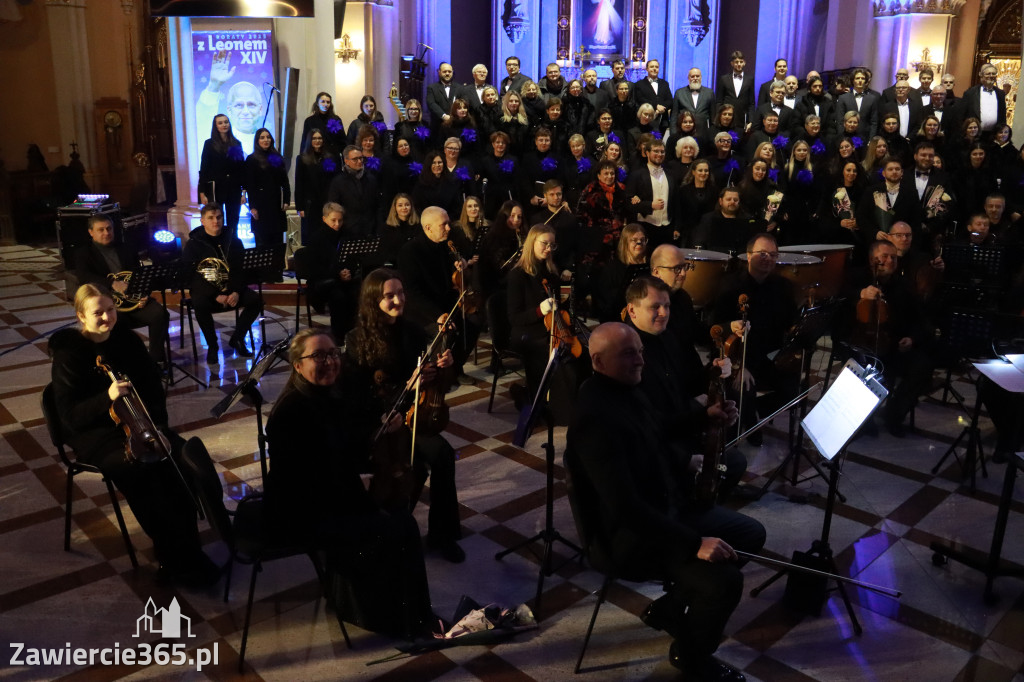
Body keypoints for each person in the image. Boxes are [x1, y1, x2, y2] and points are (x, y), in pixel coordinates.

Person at [566, 321, 764, 681]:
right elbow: (624, 507)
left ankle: (671, 608)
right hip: (629, 537)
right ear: (597, 360)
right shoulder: (595, 417)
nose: (641, 360)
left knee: (750, 534)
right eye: (629, 354)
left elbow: (655, 428)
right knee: (724, 582)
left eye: (641, 350)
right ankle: (692, 657)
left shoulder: (626, 387)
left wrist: (704, 416)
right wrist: (694, 543)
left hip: (665, 509)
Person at [264, 328, 434, 636]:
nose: (329, 361)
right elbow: (309, 482)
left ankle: (399, 609)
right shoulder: (291, 412)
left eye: (332, 353)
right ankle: (397, 619)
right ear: (297, 365)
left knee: (398, 513)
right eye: (318, 355)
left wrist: (381, 426)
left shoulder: (324, 394)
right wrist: (362, 493)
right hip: (302, 512)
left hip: (323, 498)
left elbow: (343, 438)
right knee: (399, 526)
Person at [49, 284, 218, 587]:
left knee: (180, 459)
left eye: (110, 309)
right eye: (97, 312)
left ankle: (188, 552)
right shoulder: (69, 354)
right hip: (97, 434)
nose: (106, 317)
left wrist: (157, 427)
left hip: (141, 423)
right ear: (81, 316)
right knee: (144, 472)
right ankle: (171, 557)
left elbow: (153, 388)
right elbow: (70, 418)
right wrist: (107, 397)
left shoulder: (126, 340)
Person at [343, 270, 466, 563]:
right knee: (412, 464)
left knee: (443, 455)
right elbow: (358, 393)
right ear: (374, 300)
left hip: (412, 416)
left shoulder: (413, 331)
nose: (398, 300)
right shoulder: (357, 339)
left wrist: (444, 366)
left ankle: (442, 534)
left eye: (400, 293)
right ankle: (386, 529)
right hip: (380, 421)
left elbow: (439, 382)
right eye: (389, 296)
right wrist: (407, 385)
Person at [624, 276, 746, 498]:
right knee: (727, 466)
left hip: (683, 429)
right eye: (655, 307)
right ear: (632, 311)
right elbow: (644, 424)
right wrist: (697, 413)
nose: (664, 313)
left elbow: (691, 380)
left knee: (734, 462)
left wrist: (714, 369)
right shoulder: (627, 354)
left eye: (667, 306)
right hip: (657, 447)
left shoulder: (669, 337)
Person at [836, 240, 932, 436]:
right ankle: (863, 418)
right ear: (872, 260)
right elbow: (838, 299)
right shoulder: (856, 277)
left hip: (893, 345)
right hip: (859, 344)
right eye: (885, 257)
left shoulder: (904, 285)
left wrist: (911, 338)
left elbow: (920, 319)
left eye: (894, 257)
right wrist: (859, 294)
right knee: (870, 366)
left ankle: (894, 413)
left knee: (923, 365)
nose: (890, 261)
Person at [712, 233, 800, 441]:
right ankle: (745, 422)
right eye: (762, 253)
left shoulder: (783, 287)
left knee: (792, 388)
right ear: (748, 256)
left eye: (772, 254)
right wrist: (739, 365)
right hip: (737, 357)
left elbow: (791, 323)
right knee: (743, 387)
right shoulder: (730, 286)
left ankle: (753, 414)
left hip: (769, 356)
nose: (767, 258)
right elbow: (716, 328)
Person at [506, 224, 583, 420]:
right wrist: (540, 310)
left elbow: (560, 305)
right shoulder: (518, 275)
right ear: (532, 243)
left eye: (552, 245)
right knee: (550, 353)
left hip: (550, 328)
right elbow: (514, 318)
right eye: (544, 244)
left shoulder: (550, 272)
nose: (549, 249)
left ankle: (569, 405)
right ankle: (544, 403)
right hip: (525, 332)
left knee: (578, 353)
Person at [74, 215, 169, 364]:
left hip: (133, 300)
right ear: (91, 232)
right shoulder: (84, 253)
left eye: (109, 228)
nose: (106, 232)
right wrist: (112, 282)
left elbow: (137, 274)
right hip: (109, 305)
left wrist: (143, 294)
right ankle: (123, 363)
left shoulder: (125, 247)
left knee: (160, 314)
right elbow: (84, 277)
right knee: (115, 322)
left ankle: (155, 360)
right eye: (101, 230)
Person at [398, 206, 480, 377]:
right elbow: (412, 292)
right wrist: (438, 315)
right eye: (444, 225)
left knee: (475, 320)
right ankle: (437, 373)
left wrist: (460, 266)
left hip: (446, 304)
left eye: (448, 224)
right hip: (422, 312)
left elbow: (450, 280)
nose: (449, 228)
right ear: (428, 228)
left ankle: (455, 367)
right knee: (445, 331)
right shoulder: (409, 251)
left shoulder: (445, 246)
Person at [182, 205, 262, 363]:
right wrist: (215, 295)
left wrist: (236, 292)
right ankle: (213, 346)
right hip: (207, 291)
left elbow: (240, 270)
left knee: (256, 301)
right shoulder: (194, 244)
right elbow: (192, 276)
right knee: (200, 304)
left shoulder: (233, 240)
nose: (215, 221)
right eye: (211, 218)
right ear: (202, 221)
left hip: (231, 288)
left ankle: (237, 338)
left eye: (219, 217)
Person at [301, 203, 360, 340]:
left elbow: (351, 259)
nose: (337, 224)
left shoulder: (346, 235)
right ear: (324, 219)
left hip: (342, 280)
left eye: (340, 220)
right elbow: (313, 269)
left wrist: (348, 271)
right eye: (333, 220)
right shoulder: (316, 238)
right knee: (338, 297)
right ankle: (339, 337)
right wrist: (337, 274)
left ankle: (352, 335)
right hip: (322, 283)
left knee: (357, 292)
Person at [198, 114, 245, 237]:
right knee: (216, 220)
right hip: (216, 188)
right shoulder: (209, 144)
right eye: (220, 123)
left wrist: (243, 191)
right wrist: (202, 192)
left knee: (233, 221)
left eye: (226, 122)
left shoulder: (236, 143)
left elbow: (241, 168)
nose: (224, 125)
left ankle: (232, 246)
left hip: (233, 188)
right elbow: (204, 169)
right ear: (215, 126)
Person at [625, 138, 678, 248]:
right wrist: (650, 205)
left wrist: (677, 227)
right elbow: (627, 204)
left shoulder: (671, 175)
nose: (659, 154)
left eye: (662, 151)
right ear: (647, 153)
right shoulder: (636, 175)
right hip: (645, 227)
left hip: (667, 228)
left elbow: (677, 203)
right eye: (656, 151)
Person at [244, 128, 291, 247]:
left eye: (268, 137)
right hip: (260, 205)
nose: (266, 140)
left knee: (277, 241)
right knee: (262, 241)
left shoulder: (277, 157)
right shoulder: (251, 159)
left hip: (276, 204)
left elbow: (285, 181)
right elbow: (250, 185)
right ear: (257, 141)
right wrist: (253, 207)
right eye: (262, 137)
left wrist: (286, 200)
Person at [594, 223, 649, 322]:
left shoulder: (649, 264)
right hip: (619, 317)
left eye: (642, 239)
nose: (640, 243)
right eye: (634, 240)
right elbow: (607, 302)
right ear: (625, 243)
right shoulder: (612, 268)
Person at [294, 128, 338, 244]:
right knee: (310, 236)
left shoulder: (330, 158)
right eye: (314, 138)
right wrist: (300, 207)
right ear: (309, 140)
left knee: (326, 236)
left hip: (326, 203)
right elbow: (299, 184)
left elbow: (334, 181)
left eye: (319, 138)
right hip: (310, 205)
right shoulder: (302, 159)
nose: (317, 141)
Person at [327, 145, 381, 239]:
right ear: (346, 161)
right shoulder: (338, 181)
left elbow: (378, 205)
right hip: (348, 230)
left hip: (369, 230)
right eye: (355, 159)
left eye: (361, 158)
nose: (359, 161)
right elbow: (334, 207)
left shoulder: (371, 179)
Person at [477, 200, 524, 305]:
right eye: (512, 216)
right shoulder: (494, 237)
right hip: (494, 287)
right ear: (504, 216)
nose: (516, 220)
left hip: (507, 285)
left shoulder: (515, 235)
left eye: (519, 217)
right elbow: (493, 266)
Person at [692, 187, 757, 253]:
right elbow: (699, 242)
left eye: (735, 200)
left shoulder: (747, 219)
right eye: (728, 199)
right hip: (713, 259)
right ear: (721, 201)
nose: (732, 202)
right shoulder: (708, 219)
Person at [412, 151, 462, 217]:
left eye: (440, 162)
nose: (437, 165)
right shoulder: (421, 183)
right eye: (433, 163)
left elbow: (457, 207)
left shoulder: (451, 182)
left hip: (448, 220)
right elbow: (417, 206)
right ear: (429, 165)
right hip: (427, 221)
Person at [960, 63, 1006, 133]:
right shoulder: (970, 93)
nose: (991, 76)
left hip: (993, 135)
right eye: (988, 74)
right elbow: (962, 116)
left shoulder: (1000, 94)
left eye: (993, 74)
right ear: (982, 76)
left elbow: (1002, 116)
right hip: (975, 134)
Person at [836, 68, 881, 140]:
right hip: (847, 137)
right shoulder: (843, 98)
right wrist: (842, 138)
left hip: (866, 138)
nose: (860, 81)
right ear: (853, 80)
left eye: (862, 78)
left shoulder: (872, 99)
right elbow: (840, 121)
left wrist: (871, 139)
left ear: (866, 81)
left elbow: (874, 122)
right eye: (857, 78)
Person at [716, 50, 755, 131]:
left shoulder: (750, 79)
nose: (739, 64)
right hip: (726, 119)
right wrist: (719, 119)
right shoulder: (724, 79)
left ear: (744, 63)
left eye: (741, 62)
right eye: (736, 62)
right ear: (732, 63)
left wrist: (751, 121)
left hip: (742, 120)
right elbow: (719, 101)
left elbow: (751, 103)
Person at [380, 193, 420, 267]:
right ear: (395, 208)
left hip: (414, 263)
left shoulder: (418, 225)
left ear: (411, 207)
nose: (404, 208)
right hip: (395, 265)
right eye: (400, 205)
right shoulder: (386, 227)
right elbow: (385, 252)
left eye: (407, 205)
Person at [672, 68, 716, 134]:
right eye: (692, 76)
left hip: (703, 133)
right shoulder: (679, 93)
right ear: (688, 78)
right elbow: (674, 116)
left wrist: (712, 134)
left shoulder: (709, 92)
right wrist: (673, 134)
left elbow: (713, 116)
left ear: (701, 77)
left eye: (697, 76)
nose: (695, 78)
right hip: (683, 134)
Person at [633, 60, 672, 132]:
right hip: (646, 121)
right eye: (652, 67)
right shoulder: (639, 84)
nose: (654, 69)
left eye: (656, 67)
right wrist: (656, 106)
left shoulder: (665, 83)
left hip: (662, 121)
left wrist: (661, 108)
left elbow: (669, 100)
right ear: (647, 69)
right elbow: (640, 99)